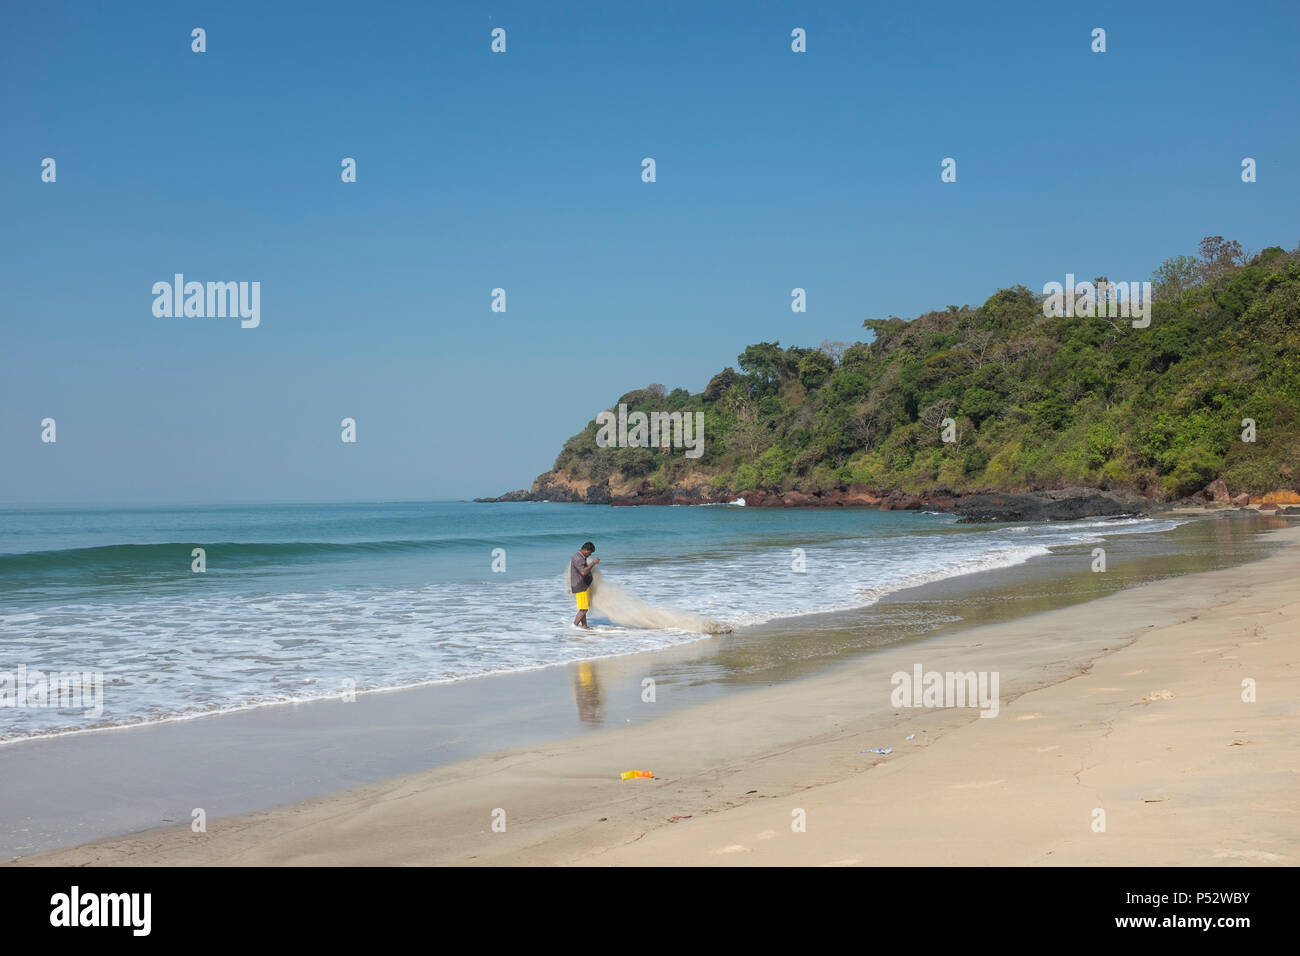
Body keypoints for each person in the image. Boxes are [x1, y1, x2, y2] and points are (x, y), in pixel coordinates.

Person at [570, 541, 599, 628]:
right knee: (583, 609)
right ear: (586, 550)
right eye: (590, 553)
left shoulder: (580, 556)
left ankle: (584, 626)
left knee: (583, 608)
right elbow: (583, 572)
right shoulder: (578, 558)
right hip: (580, 586)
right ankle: (574, 626)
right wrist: (593, 563)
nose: (590, 555)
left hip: (582, 585)